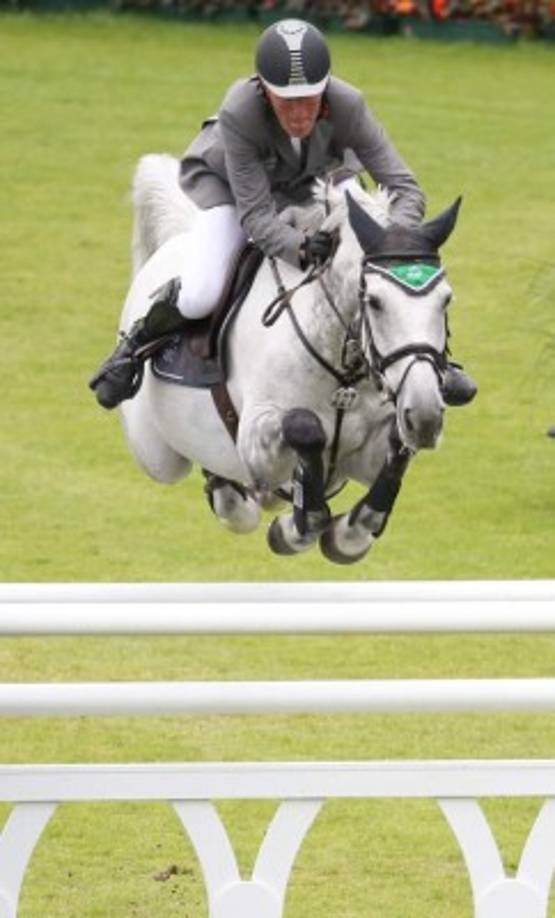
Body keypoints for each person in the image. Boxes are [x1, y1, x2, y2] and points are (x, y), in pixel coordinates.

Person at [90, 18, 476, 410]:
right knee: (200, 294)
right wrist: (302, 249)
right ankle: (134, 344)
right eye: (285, 100)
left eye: (309, 98)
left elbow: (405, 188)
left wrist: (392, 241)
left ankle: (431, 362)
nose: (298, 112)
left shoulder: (349, 104)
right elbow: (257, 216)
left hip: (315, 180)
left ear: (325, 87)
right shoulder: (241, 111)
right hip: (231, 189)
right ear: (263, 89)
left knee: (374, 260)